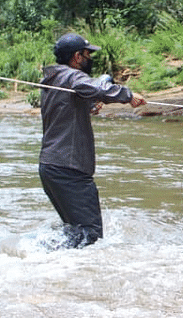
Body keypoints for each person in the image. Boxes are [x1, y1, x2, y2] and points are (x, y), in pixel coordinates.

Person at [39, 32, 146, 248]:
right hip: (69, 169)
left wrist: (87, 105)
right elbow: (99, 88)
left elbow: (67, 104)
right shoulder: (72, 77)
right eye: (88, 54)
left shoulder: (52, 79)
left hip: (51, 167)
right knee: (91, 237)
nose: (90, 59)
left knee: (76, 234)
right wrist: (128, 96)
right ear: (77, 57)